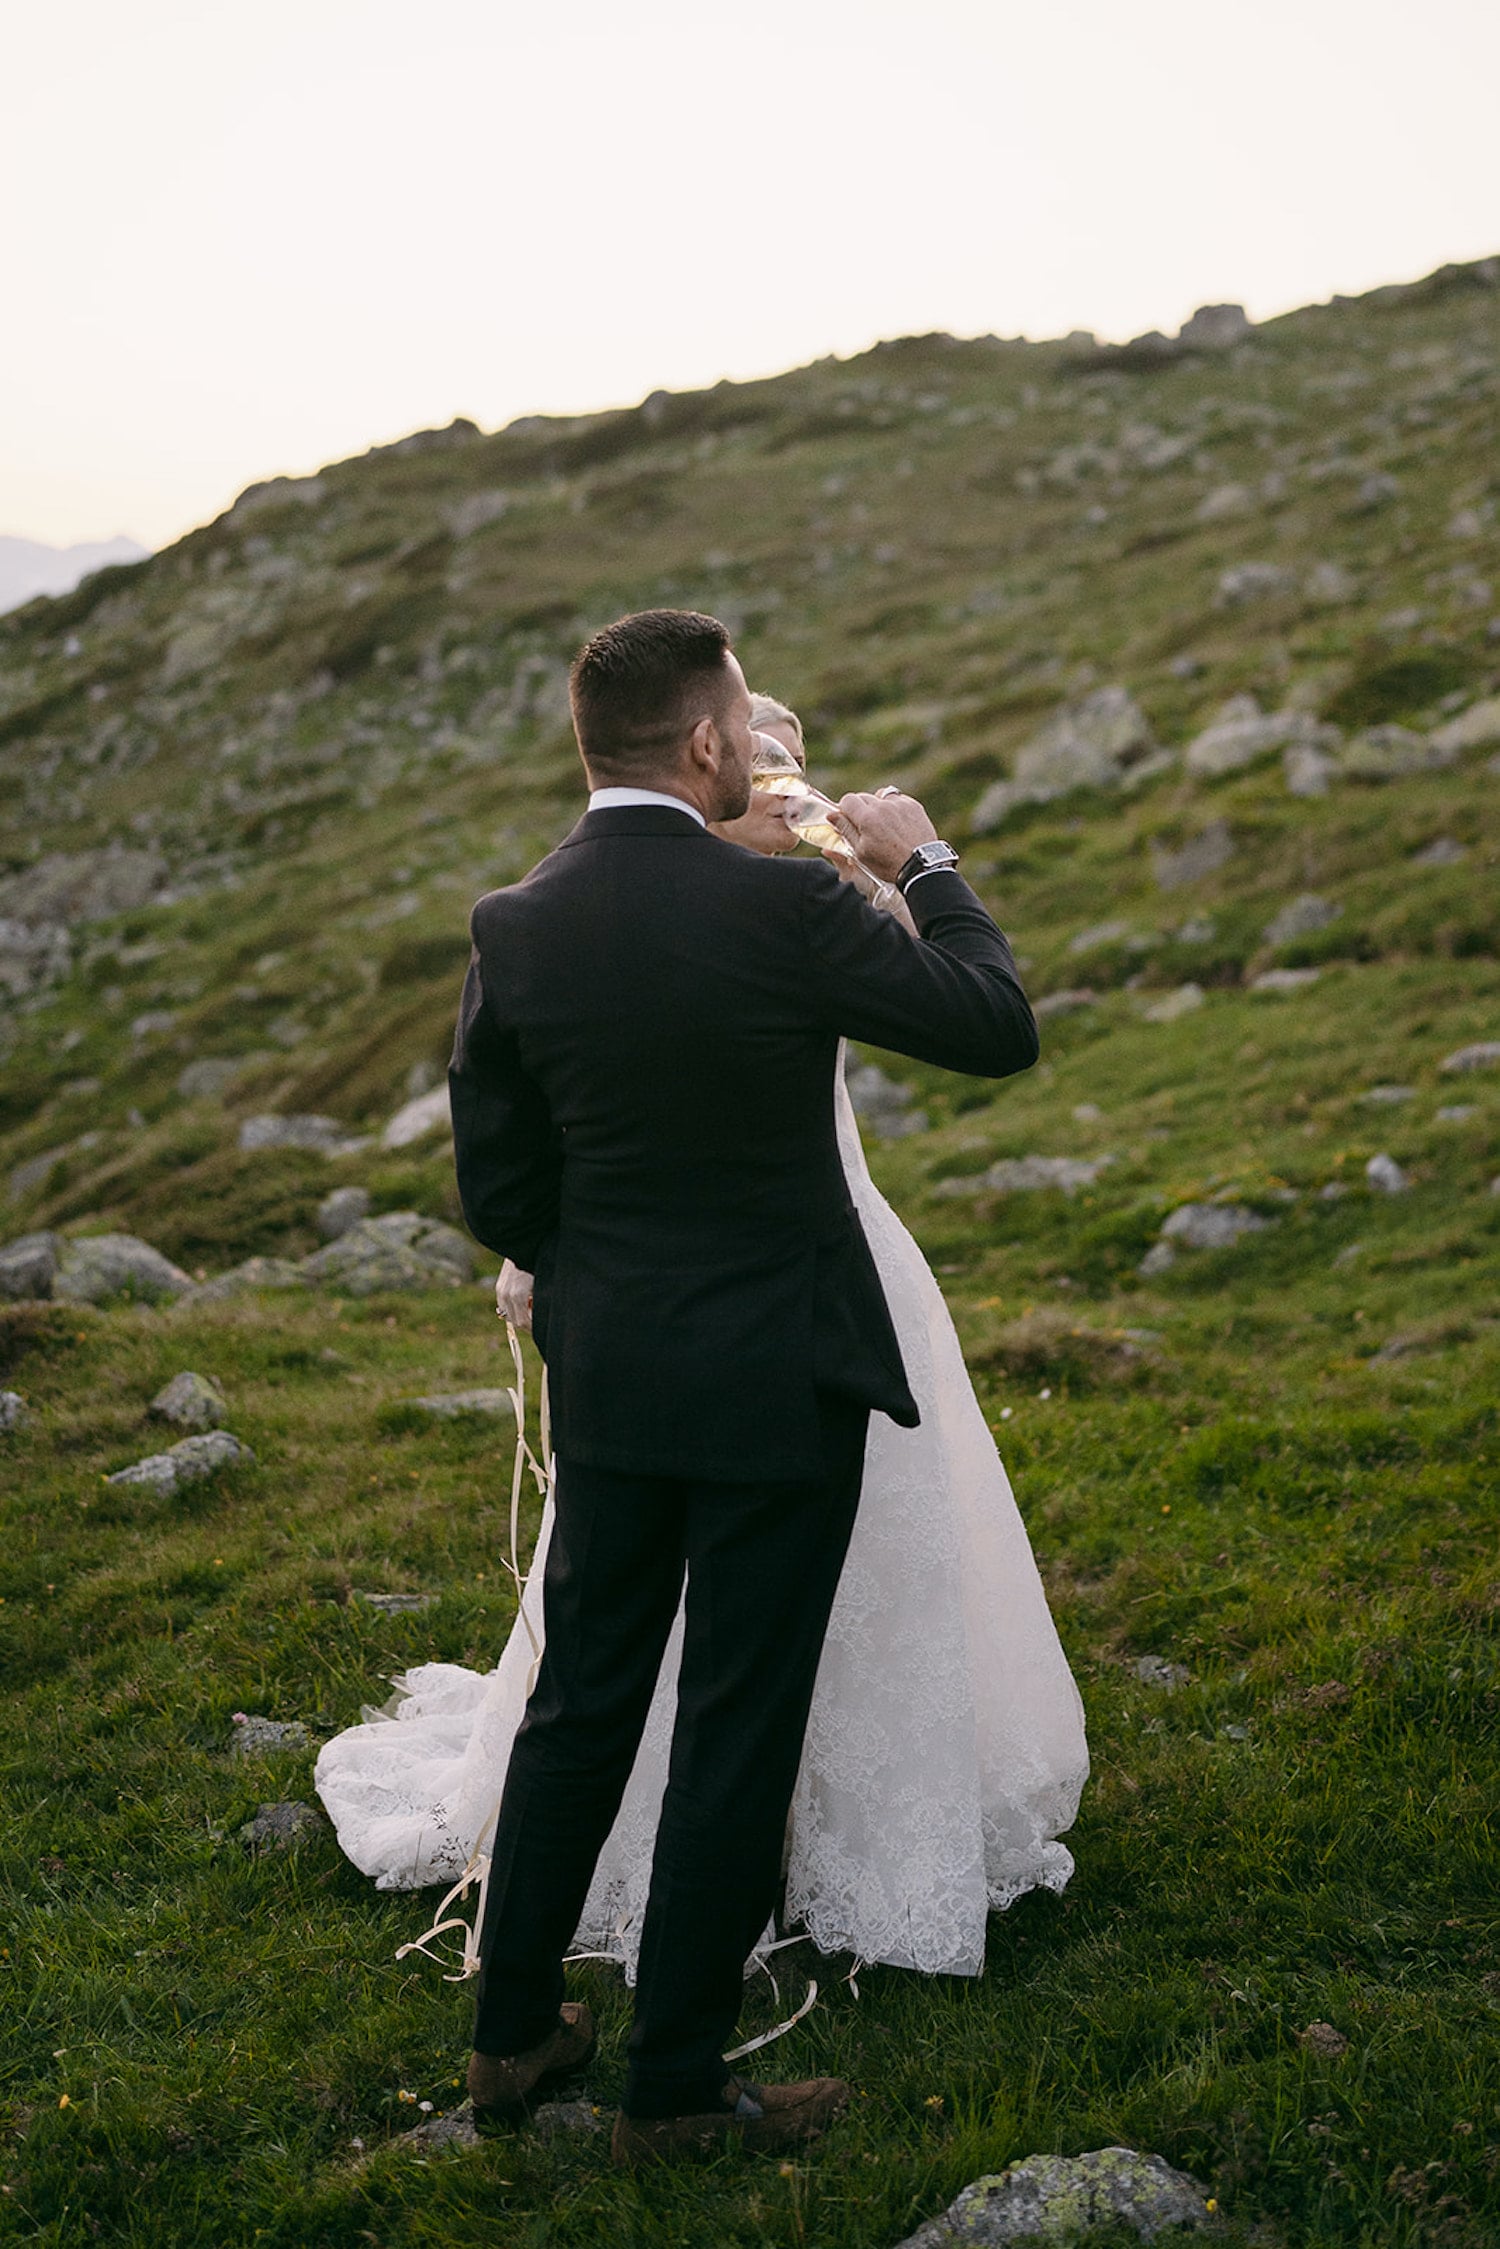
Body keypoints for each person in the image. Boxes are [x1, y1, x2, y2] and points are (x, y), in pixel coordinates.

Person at [315, 612, 1083, 2164]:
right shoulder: (786, 914)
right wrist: (925, 859)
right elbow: (992, 1025)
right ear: (714, 745)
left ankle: (511, 2035)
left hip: (616, 1373)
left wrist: (593, 1289)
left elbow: (501, 1178)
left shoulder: (514, 921)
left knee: (583, 1703)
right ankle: (672, 2083)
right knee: (737, 1714)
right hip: (777, 1379)